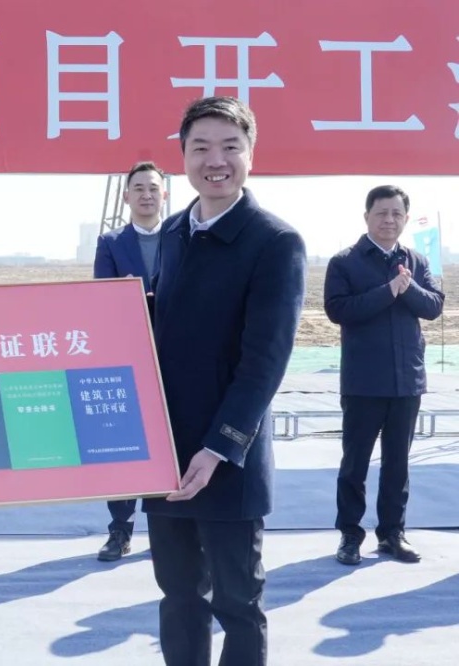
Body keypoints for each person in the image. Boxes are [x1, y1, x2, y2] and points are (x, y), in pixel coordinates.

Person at [142, 96, 306, 666]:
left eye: (230, 147)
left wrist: (218, 448)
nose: (216, 161)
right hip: (166, 453)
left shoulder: (274, 241)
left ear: (251, 154)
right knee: (179, 598)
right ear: (182, 156)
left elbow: (264, 363)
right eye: (201, 148)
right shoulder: (173, 231)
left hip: (227, 457)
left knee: (238, 604)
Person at [324, 185, 444, 566]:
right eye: (381, 213)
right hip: (363, 382)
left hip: (406, 381)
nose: (389, 220)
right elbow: (338, 310)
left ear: (405, 218)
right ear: (367, 217)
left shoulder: (417, 261)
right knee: (355, 463)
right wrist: (389, 290)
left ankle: (392, 533)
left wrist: (407, 288)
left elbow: (434, 306)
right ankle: (349, 535)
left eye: (396, 213)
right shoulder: (345, 262)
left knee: (398, 464)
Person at [92, 160, 167, 562]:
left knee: (170, 443)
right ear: (126, 197)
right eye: (138, 188)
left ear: (164, 194)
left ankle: (169, 530)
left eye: (153, 188)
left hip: (175, 356)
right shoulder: (111, 242)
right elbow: (104, 297)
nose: (146, 195)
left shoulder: (183, 237)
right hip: (127, 356)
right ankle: (120, 530)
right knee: (123, 444)